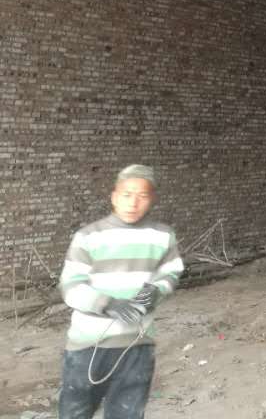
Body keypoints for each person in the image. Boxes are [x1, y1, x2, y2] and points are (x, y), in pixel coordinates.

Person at [57, 165, 184, 419]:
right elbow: (70, 285)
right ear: (114, 196)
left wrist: (154, 292)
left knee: (128, 414)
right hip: (88, 346)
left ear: (152, 199)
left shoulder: (162, 236)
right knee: (74, 413)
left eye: (142, 196)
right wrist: (107, 303)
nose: (133, 203)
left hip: (137, 346)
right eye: (127, 195)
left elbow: (170, 273)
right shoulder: (88, 237)